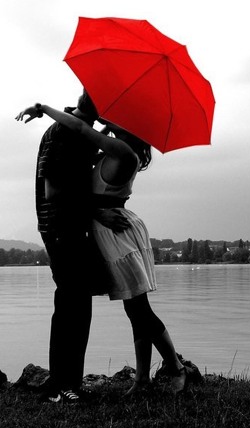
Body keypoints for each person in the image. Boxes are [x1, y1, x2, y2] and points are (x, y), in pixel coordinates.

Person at [20, 101, 188, 395]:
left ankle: (175, 366)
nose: (114, 117)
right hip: (108, 233)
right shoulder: (110, 151)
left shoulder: (122, 152)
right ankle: (142, 379)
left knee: (138, 309)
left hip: (118, 236)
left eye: (123, 117)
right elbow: (80, 156)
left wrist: (45, 108)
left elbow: (80, 127)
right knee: (135, 308)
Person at [15, 91, 128, 403]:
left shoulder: (79, 132)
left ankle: (70, 383)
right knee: (69, 306)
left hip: (73, 227)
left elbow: (79, 169)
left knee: (78, 305)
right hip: (61, 228)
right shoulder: (62, 133)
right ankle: (60, 386)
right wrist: (98, 211)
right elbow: (54, 190)